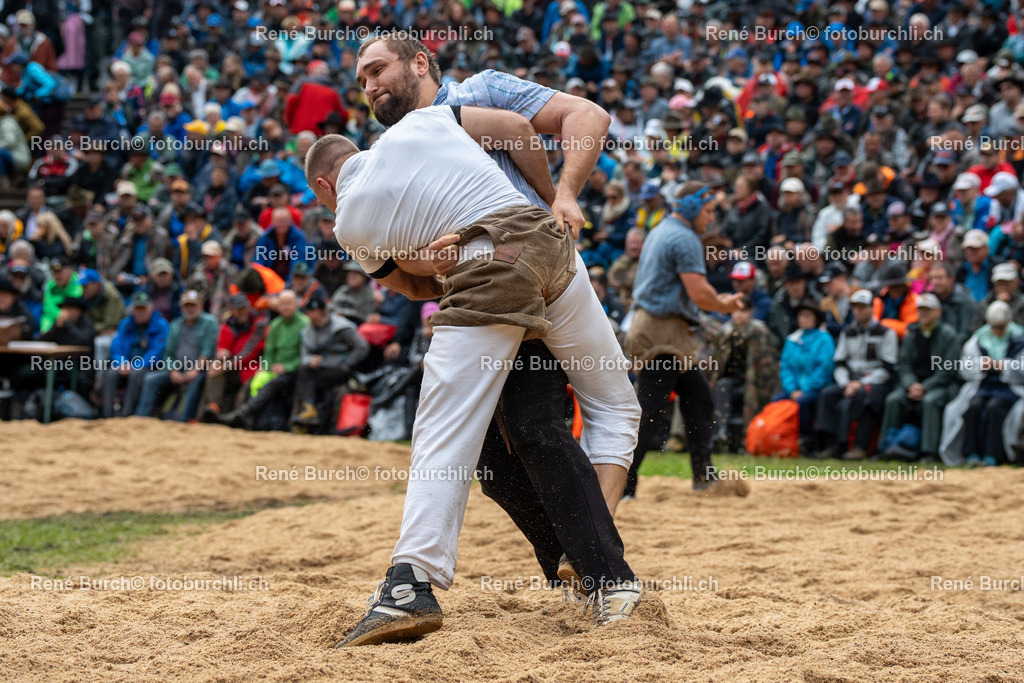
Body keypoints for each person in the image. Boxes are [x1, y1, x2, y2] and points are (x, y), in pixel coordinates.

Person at [304, 105, 641, 644]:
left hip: (485, 265)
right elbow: (522, 132)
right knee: (616, 405)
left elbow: (416, 286)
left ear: (325, 185)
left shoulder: (347, 220)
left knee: (445, 429)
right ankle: (607, 573)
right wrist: (551, 200)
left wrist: (445, 257)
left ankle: (409, 583)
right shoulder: (425, 120)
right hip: (546, 238)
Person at [624, 181, 748, 496]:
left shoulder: (663, 229)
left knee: (699, 399)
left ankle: (703, 477)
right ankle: (624, 484)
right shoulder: (684, 238)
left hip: (664, 330)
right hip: (662, 333)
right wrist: (725, 303)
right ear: (691, 208)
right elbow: (701, 294)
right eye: (707, 211)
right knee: (650, 412)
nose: (710, 219)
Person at [815, 289, 899, 460]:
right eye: (855, 307)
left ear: (871, 308)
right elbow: (839, 362)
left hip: (877, 382)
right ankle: (830, 445)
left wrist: (861, 383)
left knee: (864, 395)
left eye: (863, 307)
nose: (858, 311)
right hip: (850, 381)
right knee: (827, 394)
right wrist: (846, 383)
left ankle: (859, 446)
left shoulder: (886, 333)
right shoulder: (848, 332)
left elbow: (888, 367)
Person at [940, 301, 1024, 466]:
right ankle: (971, 453)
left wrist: (1005, 366)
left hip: (1010, 388)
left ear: (1009, 322)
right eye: (995, 327)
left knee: (995, 407)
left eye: (1001, 327)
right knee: (974, 407)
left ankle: (992, 455)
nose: (998, 331)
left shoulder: (1019, 338)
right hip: (982, 386)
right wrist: (980, 365)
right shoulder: (978, 338)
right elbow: (965, 367)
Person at [880, 294, 961, 461]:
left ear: (938, 312)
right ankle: (886, 447)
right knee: (894, 399)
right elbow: (904, 364)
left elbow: (948, 370)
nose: (923, 314)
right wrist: (911, 385)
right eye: (921, 310)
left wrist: (925, 387)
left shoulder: (948, 335)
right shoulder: (912, 333)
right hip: (913, 384)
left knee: (930, 401)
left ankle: (928, 452)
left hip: (940, 385)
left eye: (928, 310)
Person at [219, 289, 308, 431]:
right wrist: (269, 366)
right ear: (278, 306)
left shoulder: (304, 324)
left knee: (272, 384)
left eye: (289, 304)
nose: (286, 307)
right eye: (283, 304)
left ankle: (243, 413)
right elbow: (268, 352)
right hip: (273, 370)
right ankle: (249, 421)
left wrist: (287, 367)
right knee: (254, 382)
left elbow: (305, 355)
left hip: (294, 371)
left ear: (296, 304)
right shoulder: (275, 325)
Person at [290, 289, 369, 431]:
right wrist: (310, 360)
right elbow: (304, 354)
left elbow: (362, 347)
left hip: (342, 370)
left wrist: (347, 364)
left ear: (317, 312)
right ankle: (310, 412)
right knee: (304, 371)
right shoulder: (309, 329)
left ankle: (310, 413)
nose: (306, 314)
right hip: (323, 369)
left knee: (308, 378)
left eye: (309, 311)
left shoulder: (341, 327)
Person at [135, 290, 219, 422]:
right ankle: (141, 418)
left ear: (201, 306)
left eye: (193, 305)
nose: (190, 309)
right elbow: (168, 353)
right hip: (177, 369)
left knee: (195, 382)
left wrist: (195, 370)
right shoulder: (176, 324)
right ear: (181, 307)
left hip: (200, 370)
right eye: (187, 305)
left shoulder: (210, 322)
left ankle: (183, 421)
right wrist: (172, 370)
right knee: (150, 379)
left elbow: (207, 351)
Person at [774, 299, 835, 455]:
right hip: (794, 388)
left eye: (808, 316)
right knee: (775, 402)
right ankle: (777, 441)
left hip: (817, 388)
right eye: (801, 316)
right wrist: (792, 389)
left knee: (803, 402)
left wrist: (806, 389)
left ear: (815, 318)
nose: (804, 319)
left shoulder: (824, 339)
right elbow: (785, 367)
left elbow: (825, 367)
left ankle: (807, 441)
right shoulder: (792, 339)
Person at [198, 293, 269, 421]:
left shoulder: (259, 323)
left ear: (248, 307)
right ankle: (213, 407)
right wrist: (221, 354)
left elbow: (250, 351)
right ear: (231, 310)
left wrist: (227, 365)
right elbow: (223, 345)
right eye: (238, 309)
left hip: (253, 365)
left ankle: (239, 415)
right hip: (233, 366)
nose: (242, 312)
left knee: (247, 378)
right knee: (214, 366)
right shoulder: (228, 323)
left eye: (244, 308)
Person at [100, 292, 169, 418]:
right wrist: (122, 363)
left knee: (136, 375)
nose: (140, 312)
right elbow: (116, 347)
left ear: (151, 308)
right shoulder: (125, 324)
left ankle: (128, 415)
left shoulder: (161, 325)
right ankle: (107, 415)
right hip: (126, 364)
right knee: (111, 374)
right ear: (132, 309)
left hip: (149, 366)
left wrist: (135, 365)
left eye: (143, 308)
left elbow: (157, 352)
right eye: (137, 308)